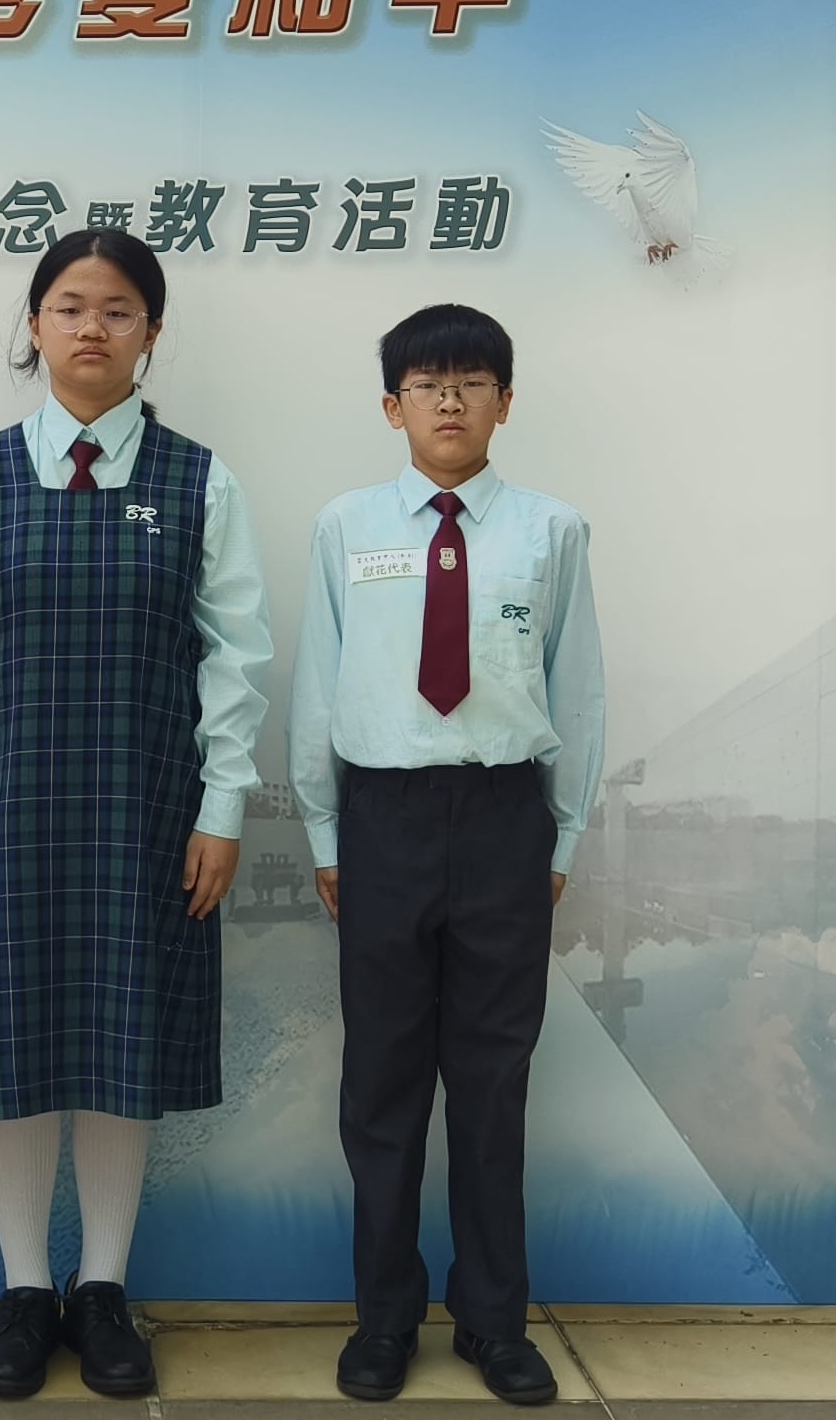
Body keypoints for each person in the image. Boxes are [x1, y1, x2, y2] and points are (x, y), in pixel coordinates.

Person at [0, 227, 271, 1400]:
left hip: (148, 806)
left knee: (124, 1044)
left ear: (150, 333)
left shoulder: (197, 480)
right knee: (15, 1045)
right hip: (6, 810)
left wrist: (222, 807)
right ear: (34, 324)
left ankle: (103, 1288)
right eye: (68, 306)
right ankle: (25, 1291)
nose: (90, 328)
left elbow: (236, 656)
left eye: (117, 310)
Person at [288, 305, 604, 1406]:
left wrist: (562, 833)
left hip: (505, 815)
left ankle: (492, 1322)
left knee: (491, 1086)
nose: (451, 401)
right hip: (381, 820)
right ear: (393, 407)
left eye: (472, 382)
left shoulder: (552, 530)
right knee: (380, 1087)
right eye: (427, 385)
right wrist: (324, 830)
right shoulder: (345, 526)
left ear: (505, 402)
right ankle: (383, 1320)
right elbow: (318, 684)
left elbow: (578, 688)